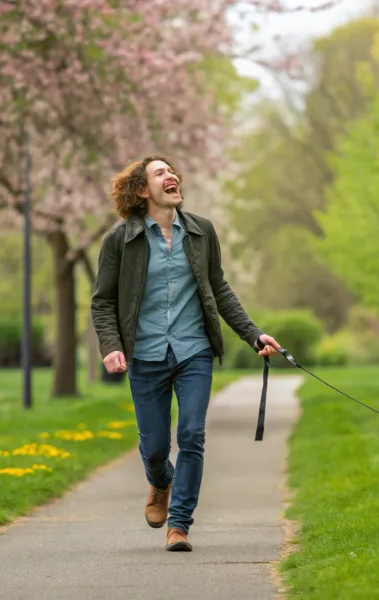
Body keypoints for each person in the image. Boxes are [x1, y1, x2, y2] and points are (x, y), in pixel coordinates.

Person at [91, 155, 281, 552]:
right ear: (143, 190)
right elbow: (102, 301)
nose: (171, 176)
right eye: (160, 173)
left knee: (192, 434)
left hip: (193, 349)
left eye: (173, 171)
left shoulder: (200, 232)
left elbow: (219, 289)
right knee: (156, 446)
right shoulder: (119, 239)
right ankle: (160, 480)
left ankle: (179, 523)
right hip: (144, 354)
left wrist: (253, 334)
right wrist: (110, 347)